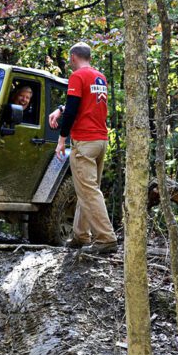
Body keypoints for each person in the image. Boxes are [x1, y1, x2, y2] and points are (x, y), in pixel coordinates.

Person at [48, 42, 117, 254]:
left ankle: (106, 238)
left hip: (85, 142)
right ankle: (80, 235)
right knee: (85, 189)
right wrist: (60, 108)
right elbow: (82, 104)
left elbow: (72, 111)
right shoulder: (99, 77)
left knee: (88, 191)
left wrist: (61, 139)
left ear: (73, 58)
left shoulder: (77, 76)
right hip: (100, 140)